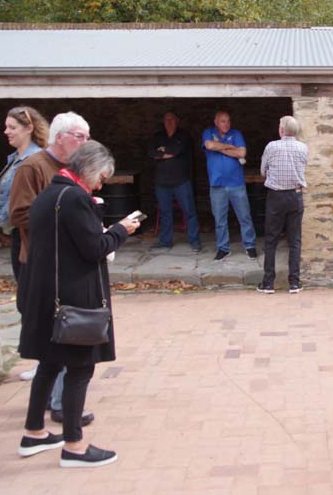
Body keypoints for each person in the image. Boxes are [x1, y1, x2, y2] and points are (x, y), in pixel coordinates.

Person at [17, 141, 139, 467]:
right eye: (101, 177)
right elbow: (94, 247)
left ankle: (34, 432)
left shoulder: (49, 194)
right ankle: (74, 446)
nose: (100, 185)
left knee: (49, 363)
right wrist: (121, 230)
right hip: (73, 298)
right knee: (79, 367)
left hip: (47, 293)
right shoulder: (74, 198)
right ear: (88, 169)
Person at [9, 111, 95, 422]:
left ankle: (53, 405)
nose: (85, 143)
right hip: (42, 265)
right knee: (59, 336)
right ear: (60, 137)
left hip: (66, 263)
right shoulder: (32, 167)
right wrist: (67, 219)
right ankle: (59, 408)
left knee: (65, 336)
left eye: (87, 138)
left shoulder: (72, 168)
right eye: (80, 137)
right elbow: (19, 214)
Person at [0, 106, 49, 282]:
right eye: (6, 127)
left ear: (29, 128)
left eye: (12, 127)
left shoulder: (35, 161)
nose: (6, 132)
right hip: (18, 232)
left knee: (30, 286)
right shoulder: (14, 159)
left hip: (30, 234)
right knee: (24, 285)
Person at [257, 116, 308, 294]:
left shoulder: (271, 146)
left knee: (271, 239)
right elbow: (303, 168)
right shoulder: (303, 147)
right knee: (295, 240)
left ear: (281, 130)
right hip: (295, 195)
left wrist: (272, 172)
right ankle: (294, 283)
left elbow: (263, 171)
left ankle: (268, 283)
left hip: (276, 196)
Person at [202, 110, 258, 261]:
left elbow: (242, 153)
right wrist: (230, 147)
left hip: (236, 183)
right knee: (220, 219)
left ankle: (250, 245)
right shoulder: (208, 132)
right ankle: (223, 248)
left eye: (228, 121)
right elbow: (209, 145)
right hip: (217, 184)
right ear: (216, 122)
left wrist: (219, 147)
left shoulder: (236, 134)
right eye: (222, 121)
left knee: (244, 216)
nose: (226, 124)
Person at [149, 111, 201, 251]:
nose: (169, 122)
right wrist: (167, 152)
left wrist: (163, 151)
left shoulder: (184, 135)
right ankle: (165, 241)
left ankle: (194, 241)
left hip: (181, 181)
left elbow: (177, 150)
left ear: (177, 121)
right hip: (162, 182)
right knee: (165, 213)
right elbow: (152, 153)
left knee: (189, 212)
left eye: (171, 119)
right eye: (166, 119)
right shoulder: (158, 136)